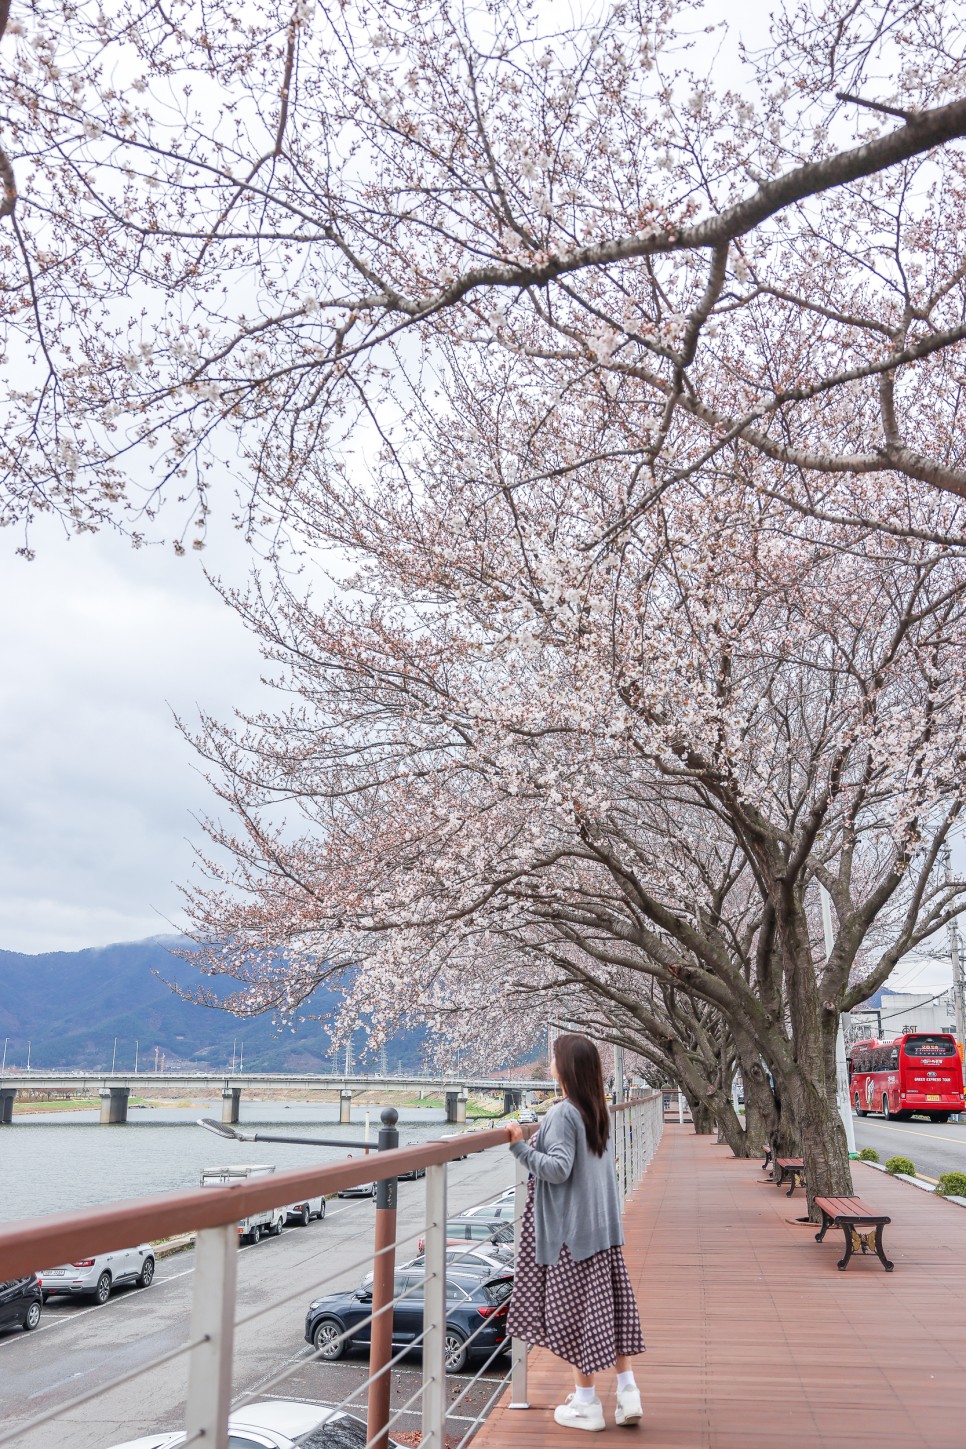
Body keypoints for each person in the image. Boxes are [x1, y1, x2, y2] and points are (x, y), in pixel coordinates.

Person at [506, 1034, 644, 1432]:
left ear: (564, 1068)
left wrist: (519, 1147)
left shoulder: (564, 1114)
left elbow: (558, 1169)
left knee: (578, 1318)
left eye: (554, 1058)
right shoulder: (596, 1109)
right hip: (601, 1229)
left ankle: (586, 1404)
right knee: (608, 1312)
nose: (549, 1064)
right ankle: (627, 1390)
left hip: (573, 1237)